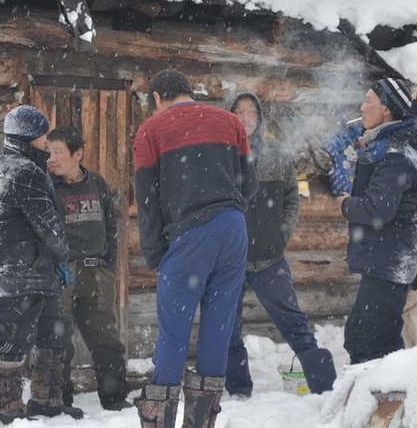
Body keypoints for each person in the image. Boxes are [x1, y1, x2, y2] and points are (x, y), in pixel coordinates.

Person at [133, 70, 258, 428]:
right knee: (218, 330)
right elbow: (249, 184)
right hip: (234, 231)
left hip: (189, 236)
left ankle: (160, 421)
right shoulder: (231, 122)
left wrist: (156, 252)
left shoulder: (151, 131)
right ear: (189, 91)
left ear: (157, 97)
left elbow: (146, 200)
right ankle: (201, 422)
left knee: (174, 334)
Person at [222, 89, 336, 397]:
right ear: (229, 114)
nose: (246, 118)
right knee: (228, 327)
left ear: (260, 116)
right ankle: (238, 389)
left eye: (251, 111)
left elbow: (291, 198)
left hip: (269, 258)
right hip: (230, 259)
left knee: (294, 322)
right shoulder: (219, 155)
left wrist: (281, 234)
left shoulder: (278, 153)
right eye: (239, 111)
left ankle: (324, 387)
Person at [332, 78, 417, 365]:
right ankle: (368, 400)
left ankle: (391, 403)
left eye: (368, 100)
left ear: (385, 110)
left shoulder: (397, 153)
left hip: (390, 258)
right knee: (358, 336)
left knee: (377, 341)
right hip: (387, 258)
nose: (362, 106)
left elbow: (378, 210)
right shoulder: (398, 142)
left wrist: (346, 204)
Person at [0, 105, 84, 423]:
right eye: (43, 133)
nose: (47, 139)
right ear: (31, 136)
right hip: (24, 269)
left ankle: (47, 401)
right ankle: (8, 406)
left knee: (51, 331)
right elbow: (49, 226)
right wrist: (62, 257)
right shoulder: (25, 171)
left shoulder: (6, 163)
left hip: (22, 267)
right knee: (14, 335)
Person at [47, 125, 133, 411]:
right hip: (62, 274)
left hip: (97, 274)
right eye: (49, 152)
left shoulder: (97, 183)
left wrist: (109, 266)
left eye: (58, 152)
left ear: (78, 154)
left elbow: (111, 227)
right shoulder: (48, 186)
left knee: (107, 341)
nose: (52, 159)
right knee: (59, 342)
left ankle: (115, 398)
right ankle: (62, 401)